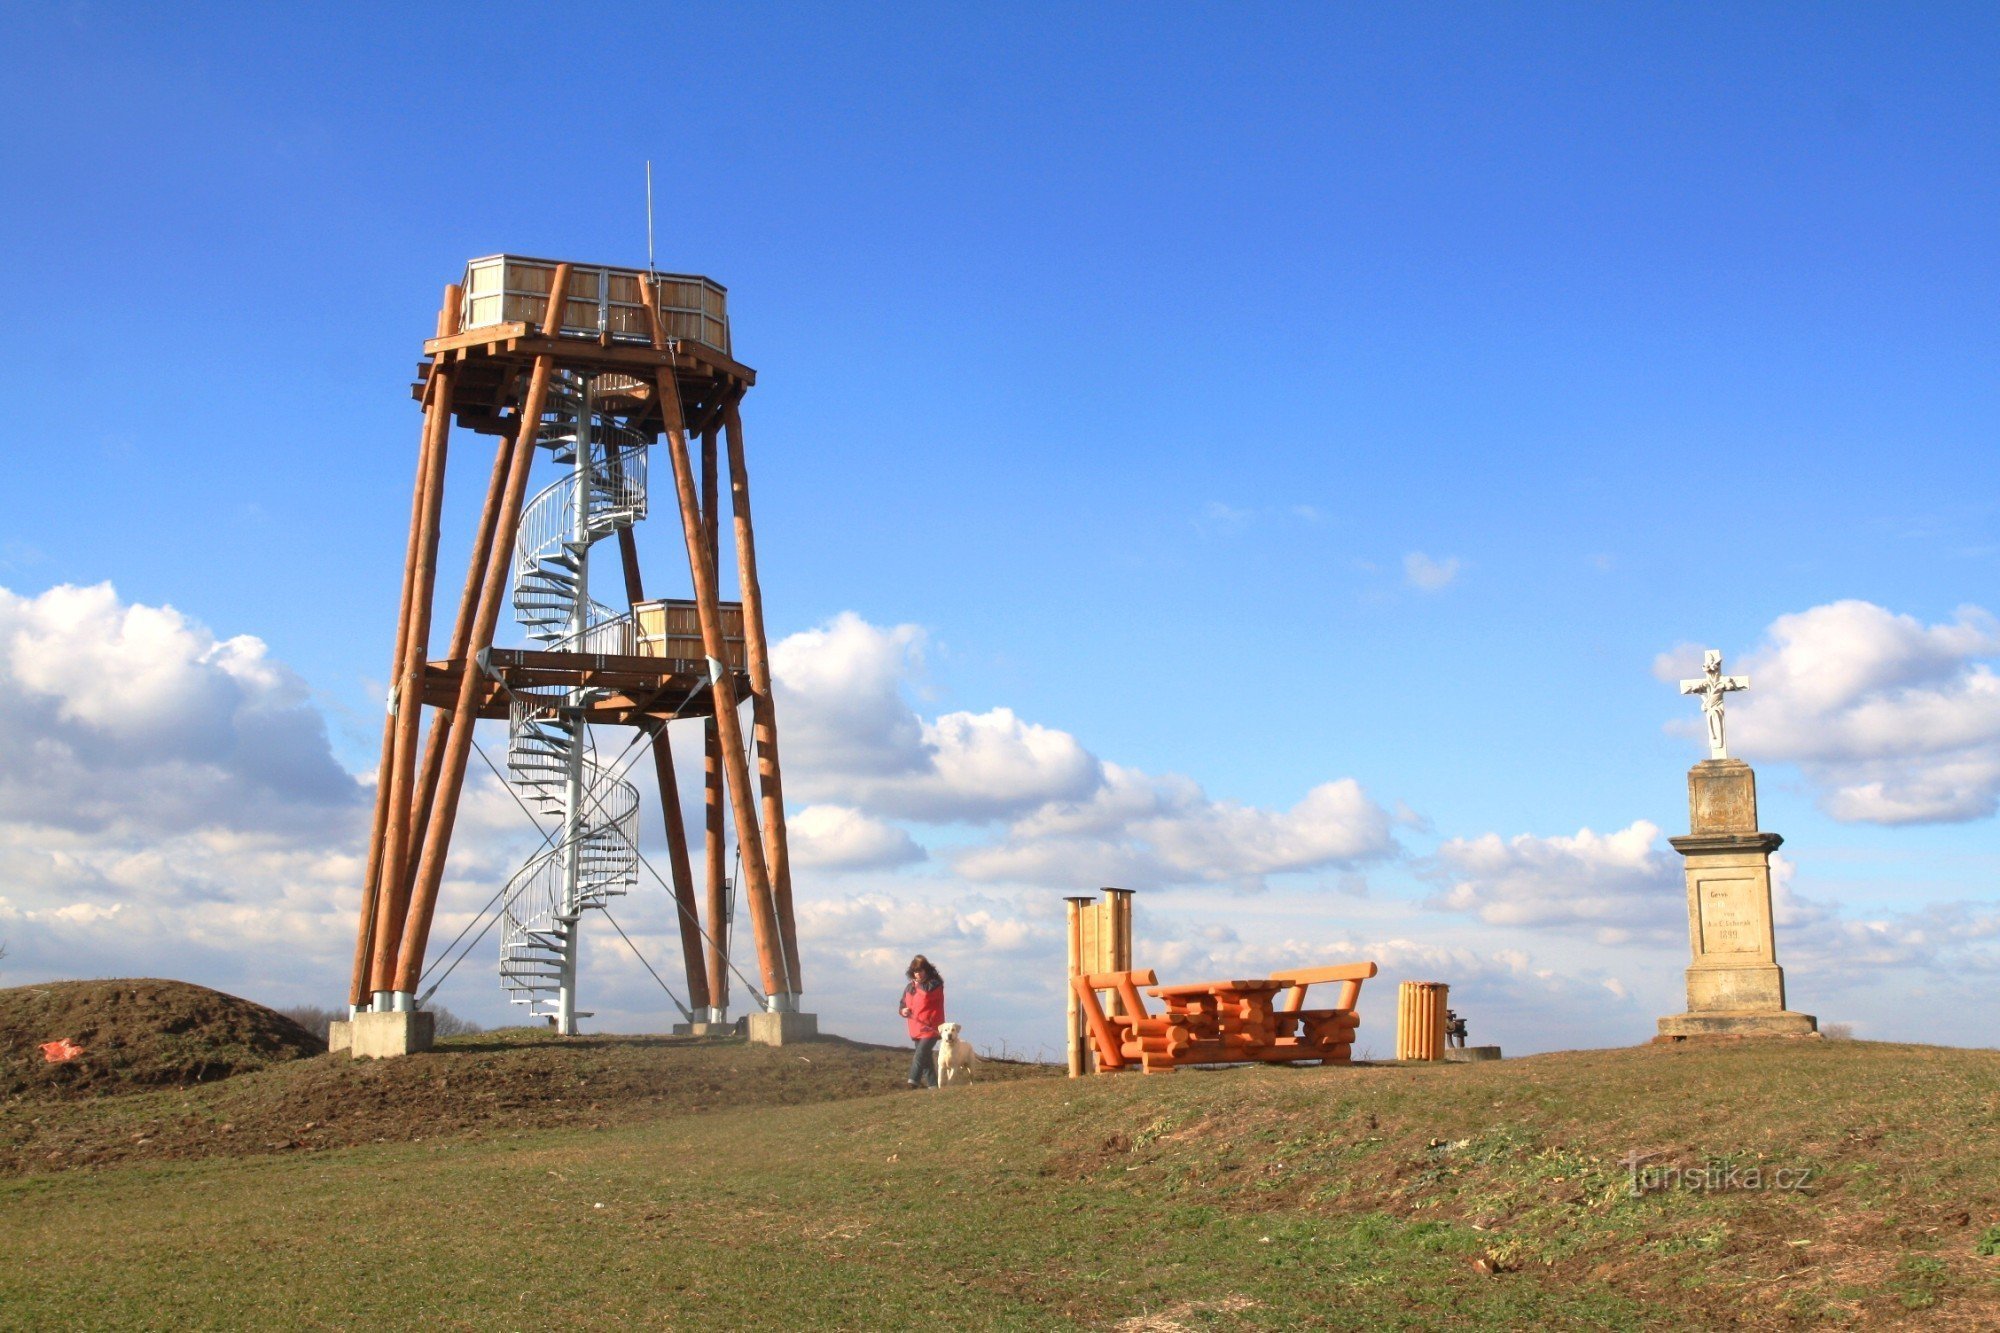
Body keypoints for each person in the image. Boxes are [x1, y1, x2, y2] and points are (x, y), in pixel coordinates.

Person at [898, 954, 945, 1088]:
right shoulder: (909, 987)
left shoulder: (935, 984)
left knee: (919, 1056)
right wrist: (903, 1010)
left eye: (920, 971)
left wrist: (918, 985)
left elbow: (927, 995)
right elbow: (902, 1004)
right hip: (915, 1028)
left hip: (931, 1028)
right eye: (915, 971)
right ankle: (933, 1087)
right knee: (926, 1060)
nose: (917, 974)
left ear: (926, 970)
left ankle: (912, 1083)